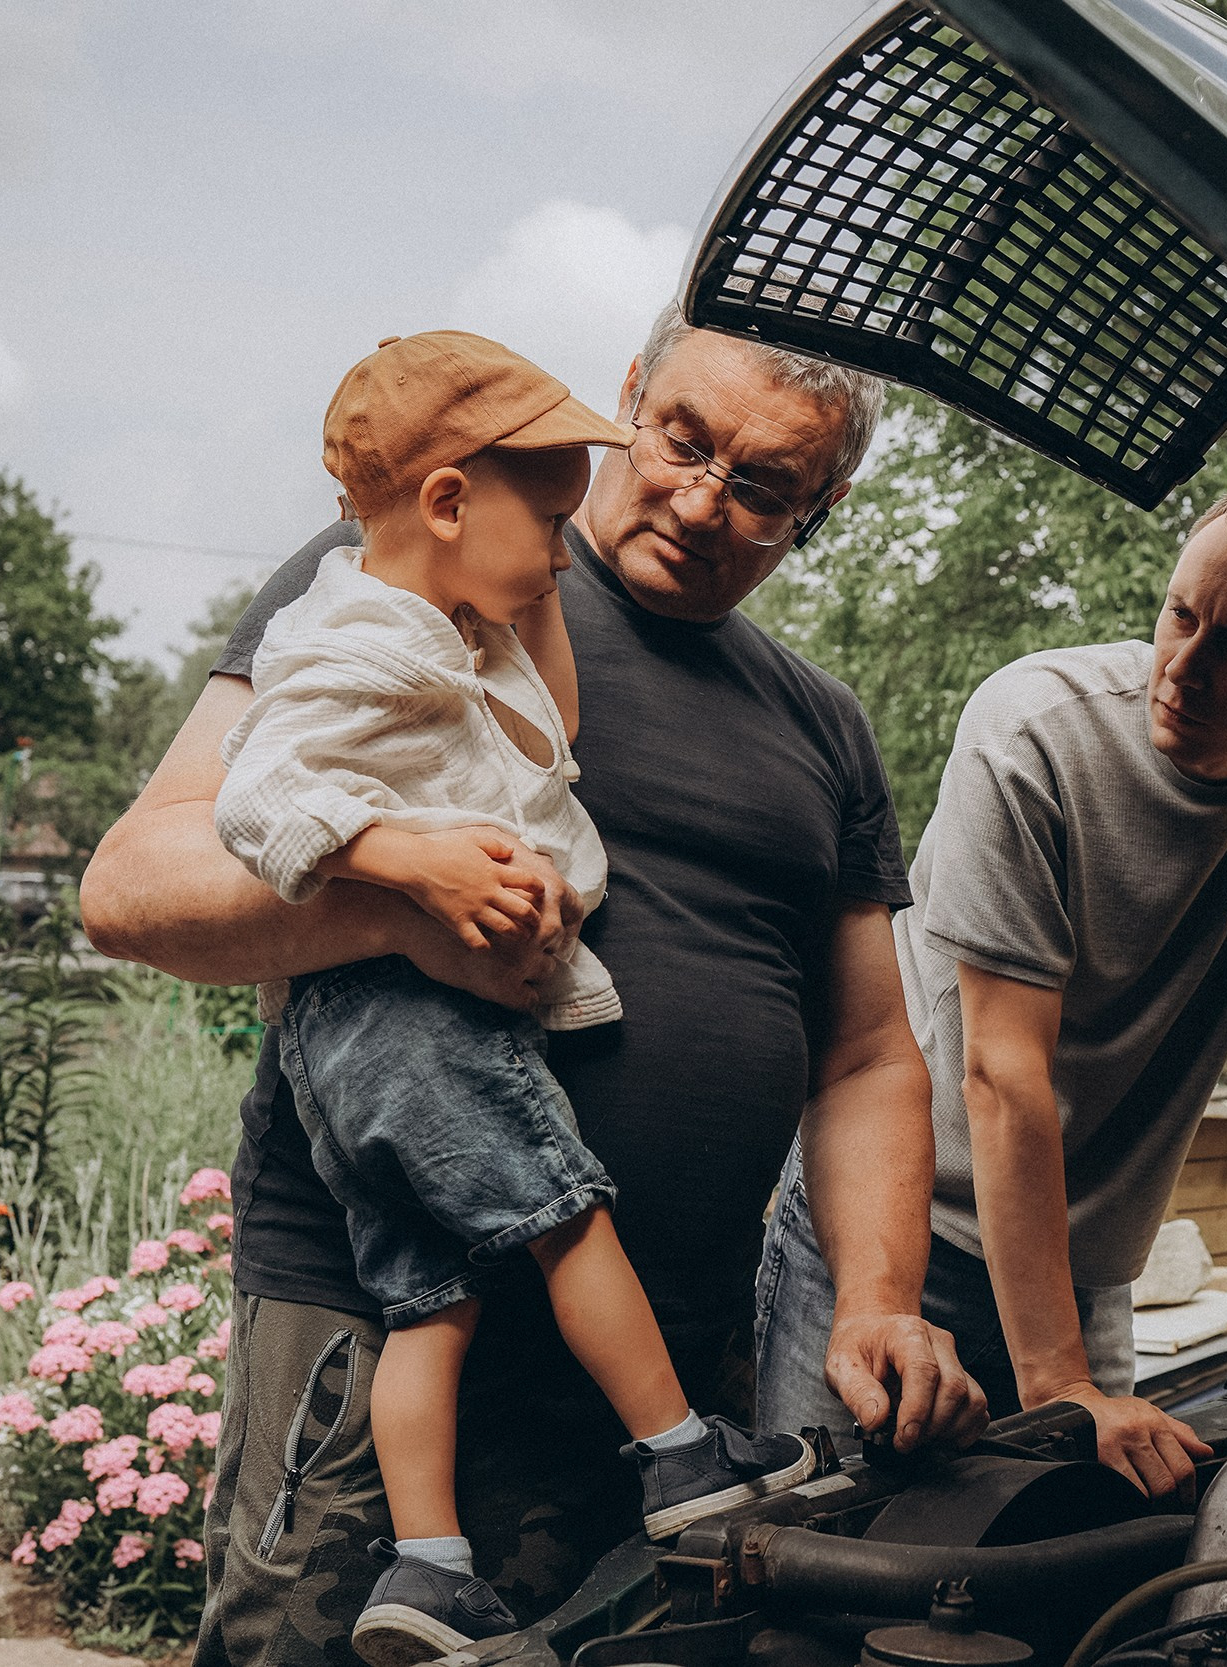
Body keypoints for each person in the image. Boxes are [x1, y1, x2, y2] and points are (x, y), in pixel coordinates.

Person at [80, 305, 987, 1667]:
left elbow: (865, 1053)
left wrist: (874, 1296)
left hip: (670, 1368)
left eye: (762, 485)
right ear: (630, 397)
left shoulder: (824, 723)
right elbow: (132, 884)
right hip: (383, 1322)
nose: (701, 499)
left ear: (823, 505)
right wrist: (405, 910)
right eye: (682, 440)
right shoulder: (401, 575)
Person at [212, 332, 827, 1662]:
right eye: (548, 525)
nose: (564, 553)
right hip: (410, 1028)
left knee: (428, 1300)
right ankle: (681, 1455)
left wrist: (522, 584)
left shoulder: (456, 628)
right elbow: (252, 794)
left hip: (371, 1046)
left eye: (766, 484)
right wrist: (400, 861)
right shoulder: (361, 630)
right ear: (444, 503)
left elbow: (557, 719)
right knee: (565, 1216)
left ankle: (428, 1566)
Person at [752, 482, 1227, 1499]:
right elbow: (1002, 1071)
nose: (1183, 668)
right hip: (896, 1233)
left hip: (1085, 1266)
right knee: (824, 1541)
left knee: (1079, 1553)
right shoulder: (1031, 734)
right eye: (1180, 615)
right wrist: (1063, 1386)